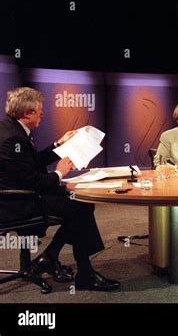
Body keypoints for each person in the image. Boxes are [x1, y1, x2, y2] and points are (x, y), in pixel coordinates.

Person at [0, 87, 120, 291]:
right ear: (26, 113)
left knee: (80, 202)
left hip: (20, 193)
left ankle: (50, 257)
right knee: (79, 207)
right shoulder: (14, 139)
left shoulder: (10, 129)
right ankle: (83, 274)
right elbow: (33, 181)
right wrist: (59, 174)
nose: (42, 113)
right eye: (39, 110)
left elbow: (32, 162)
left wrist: (59, 144)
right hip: (16, 203)